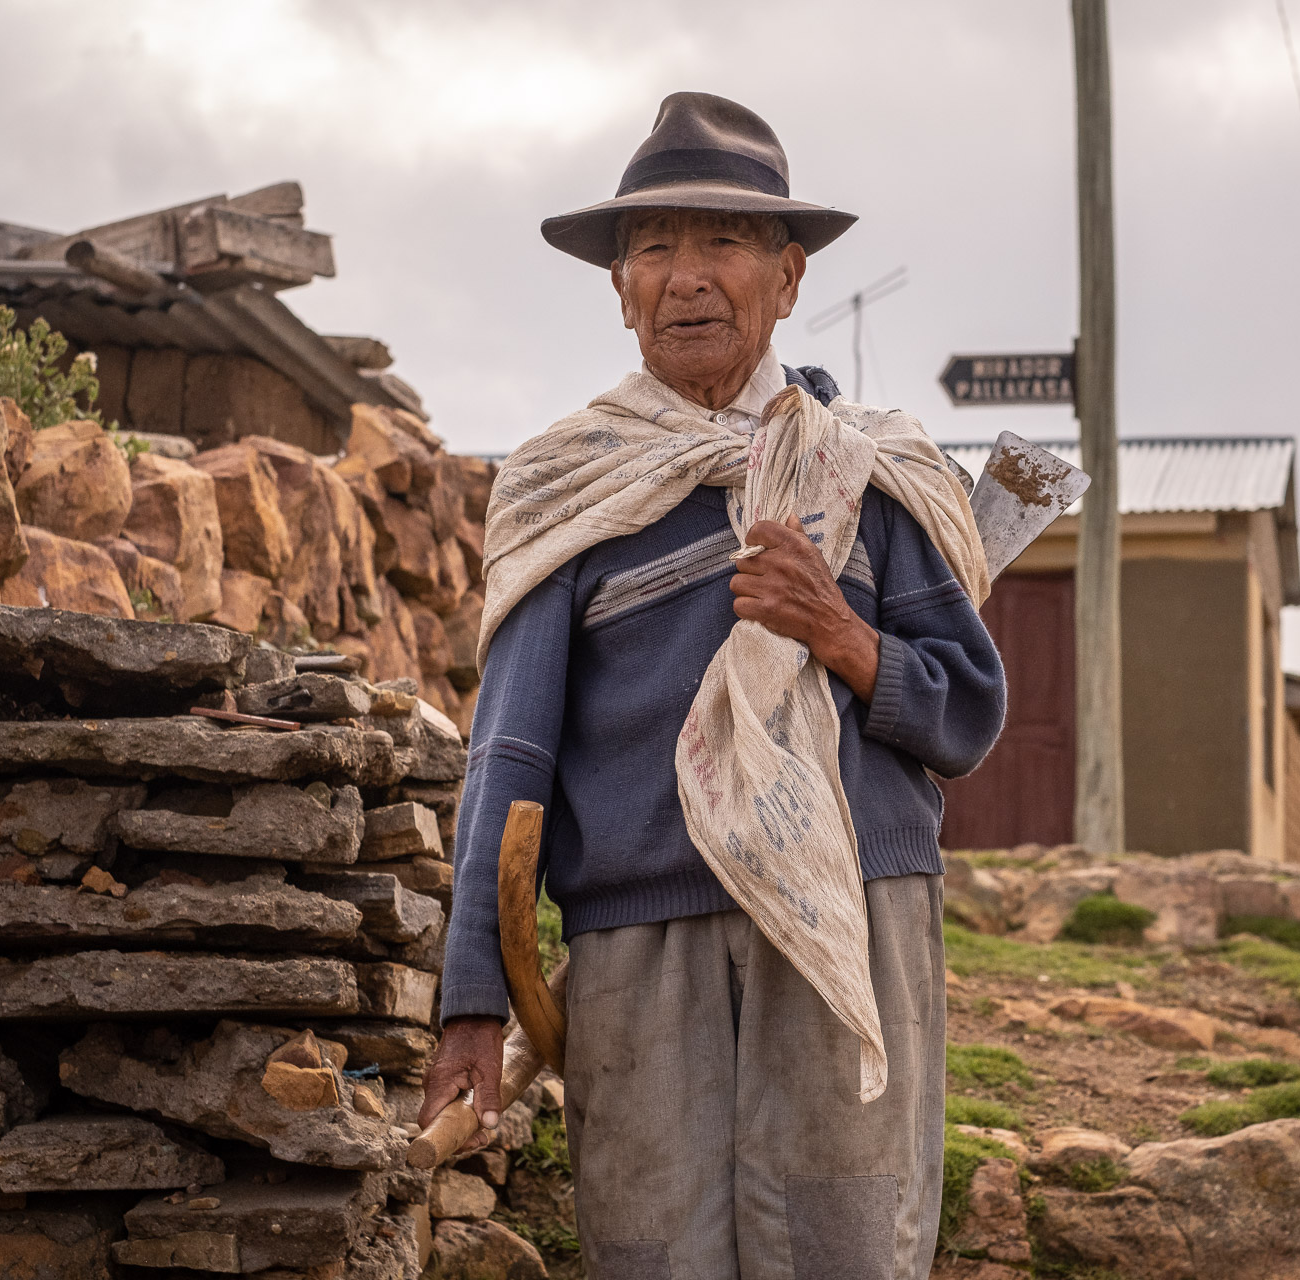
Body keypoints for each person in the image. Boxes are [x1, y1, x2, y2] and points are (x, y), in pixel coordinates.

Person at [420, 91, 1006, 1279]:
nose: (687, 275)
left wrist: (840, 630)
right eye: (654, 246)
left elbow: (967, 711)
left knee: (845, 1248)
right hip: (641, 943)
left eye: (723, 241)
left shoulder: (868, 474)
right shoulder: (563, 492)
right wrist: (470, 996)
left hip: (851, 921)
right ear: (622, 288)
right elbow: (510, 758)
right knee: (651, 1252)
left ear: (786, 279)